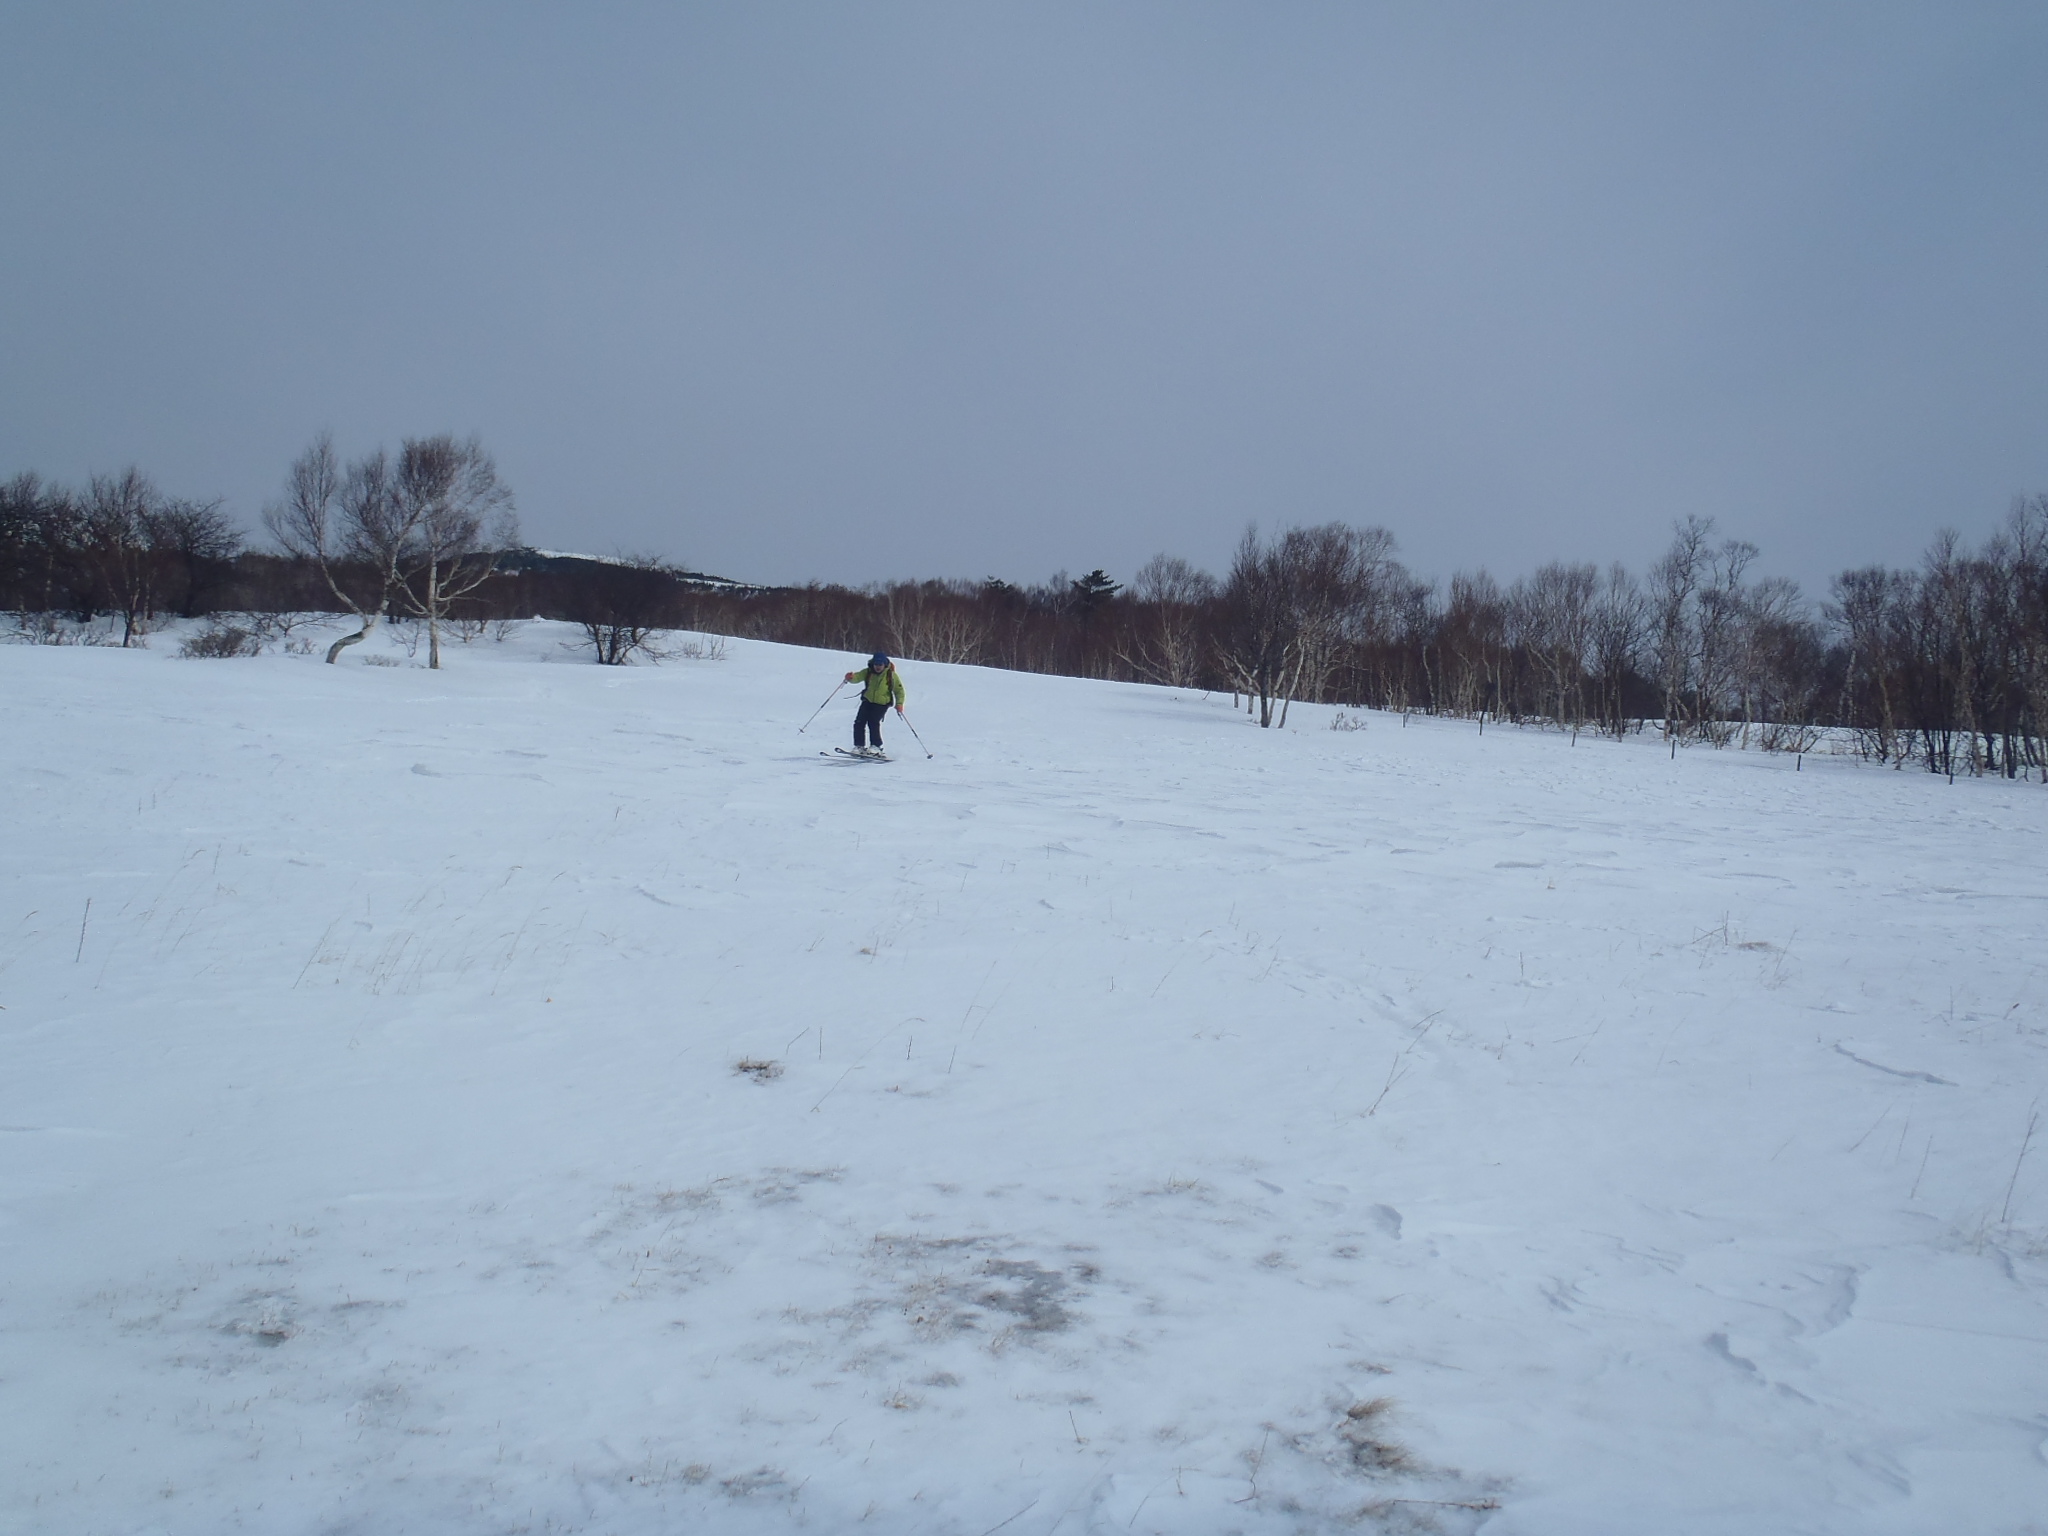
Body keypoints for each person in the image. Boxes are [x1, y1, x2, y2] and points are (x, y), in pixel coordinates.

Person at [844, 653, 905, 754]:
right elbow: (857, 677)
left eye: (880, 665)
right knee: (859, 722)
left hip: (882, 703)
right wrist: (851, 677)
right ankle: (859, 746)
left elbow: (899, 690)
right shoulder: (868, 672)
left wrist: (899, 703)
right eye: (876, 664)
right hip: (867, 701)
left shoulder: (891, 675)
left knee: (873, 722)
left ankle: (876, 746)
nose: (877, 667)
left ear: (884, 665)